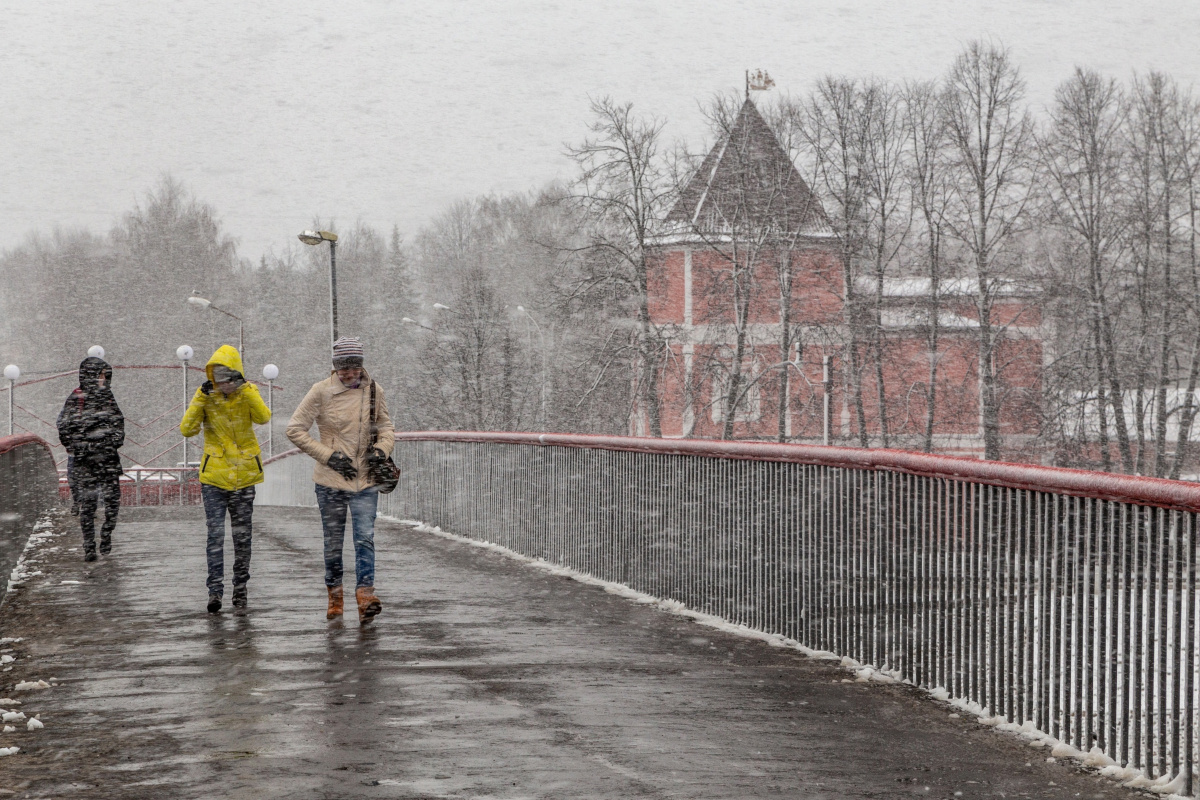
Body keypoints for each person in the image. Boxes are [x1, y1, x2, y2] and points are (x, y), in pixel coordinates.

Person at [287, 337, 394, 624]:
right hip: (330, 482)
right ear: (335, 368)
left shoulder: (374, 391)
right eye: (342, 368)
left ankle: (366, 597)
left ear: (361, 365)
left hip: (365, 481)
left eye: (354, 367)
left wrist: (381, 451)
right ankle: (335, 596)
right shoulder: (320, 392)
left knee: (365, 539)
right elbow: (295, 429)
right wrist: (329, 456)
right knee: (333, 543)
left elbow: (386, 427)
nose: (348, 374)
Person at [180, 345, 271, 613]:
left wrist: (249, 390)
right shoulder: (207, 398)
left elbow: (264, 417)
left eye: (229, 381)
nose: (224, 386)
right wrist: (200, 397)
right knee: (216, 536)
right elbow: (187, 429)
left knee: (243, 538)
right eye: (218, 381)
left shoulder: (247, 394)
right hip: (214, 479)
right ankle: (215, 591)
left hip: (244, 476)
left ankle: (240, 590)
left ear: (237, 377)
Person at [56, 356, 124, 561]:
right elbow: (64, 426)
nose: (104, 379)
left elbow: (119, 424)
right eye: (101, 375)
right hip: (85, 462)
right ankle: (89, 546)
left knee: (113, 503)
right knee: (88, 505)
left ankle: (106, 533)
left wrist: (111, 442)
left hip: (108, 459)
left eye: (105, 375)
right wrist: (81, 447)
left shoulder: (108, 397)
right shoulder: (76, 398)